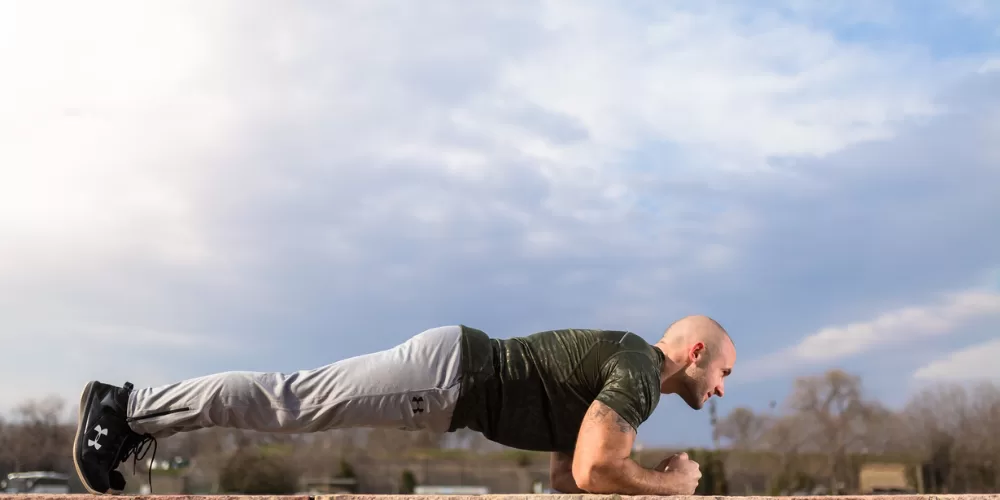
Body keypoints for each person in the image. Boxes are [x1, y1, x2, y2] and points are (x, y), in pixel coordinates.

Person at [72, 314, 735, 495]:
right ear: (697, 350)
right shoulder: (641, 371)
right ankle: (127, 406)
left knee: (292, 400)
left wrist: (636, 474)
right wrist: (670, 486)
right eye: (725, 371)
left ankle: (131, 409)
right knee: (290, 401)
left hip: (452, 376)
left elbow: (569, 476)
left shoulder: (625, 375)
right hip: (450, 377)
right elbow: (595, 472)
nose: (723, 389)